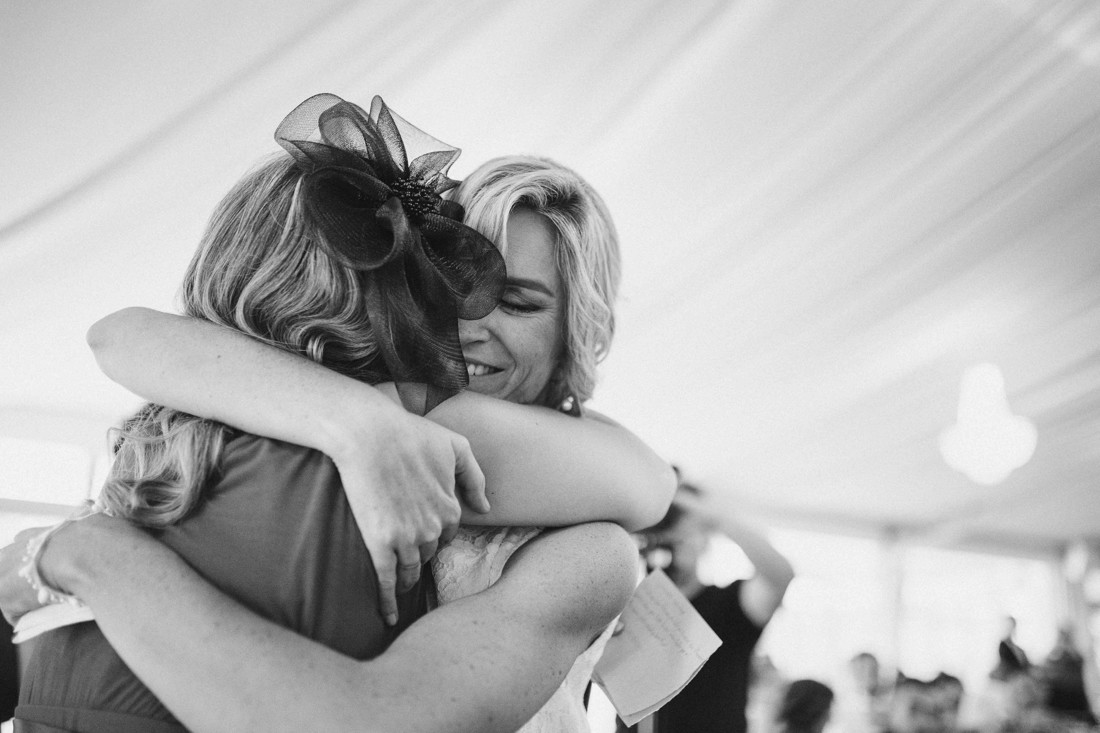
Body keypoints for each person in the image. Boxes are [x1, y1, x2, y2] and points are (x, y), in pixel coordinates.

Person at [2, 94, 675, 732]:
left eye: (519, 302)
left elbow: (649, 480)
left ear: (581, 328)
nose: (470, 322)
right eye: (451, 278)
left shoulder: (573, 523)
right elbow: (121, 335)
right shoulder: (332, 416)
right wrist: (356, 420)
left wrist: (83, 554)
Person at [620, 474, 795, 733]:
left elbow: (781, 576)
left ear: (705, 538)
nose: (673, 538)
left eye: (682, 529)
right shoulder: (629, 607)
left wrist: (710, 515)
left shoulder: (731, 604)